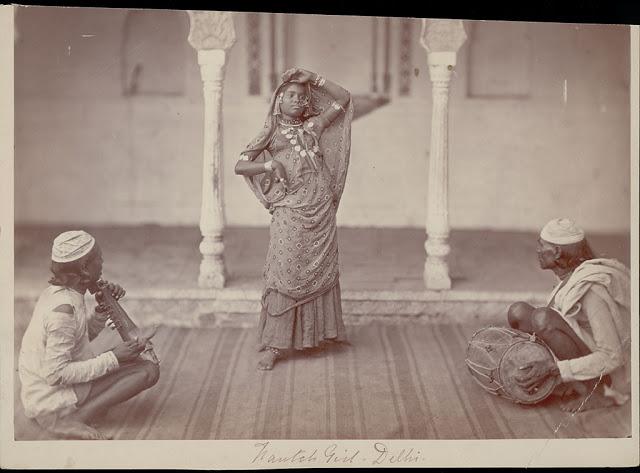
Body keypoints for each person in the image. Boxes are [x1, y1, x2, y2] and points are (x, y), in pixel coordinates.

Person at [235, 67, 352, 370]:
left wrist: (311, 76)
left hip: (321, 208)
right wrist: (269, 165)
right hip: (291, 209)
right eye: (291, 96)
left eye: (303, 97)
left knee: (320, 271)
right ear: (278, 100)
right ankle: (275, 344)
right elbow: (240, 165)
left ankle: (316, 337)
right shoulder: (272, 129)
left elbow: (343, 98)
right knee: (285, 271)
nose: (298, 101)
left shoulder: (314, 126)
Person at [18, 230, 160, 439]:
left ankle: (85, 407)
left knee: (133, 359)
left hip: (46, 390)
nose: (102, 263)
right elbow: (55, 375)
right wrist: (114, 357)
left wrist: (102, 311)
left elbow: (77, 340)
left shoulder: (61, 294)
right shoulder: (63, 311)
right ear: (84, 268)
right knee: (148, 372)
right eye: (98, 258)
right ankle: (77, 417)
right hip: (49, 398)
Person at [507, 218, 631, 412]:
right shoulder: (570, 278)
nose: (537, 250)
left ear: (556, 252)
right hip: (587, 353)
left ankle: (597, 394)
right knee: (519, 312)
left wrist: (555, 369)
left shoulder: (591, 289)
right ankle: (567, 382)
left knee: (543, 318)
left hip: (613, 376)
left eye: (541, 245)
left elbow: (612, 356)